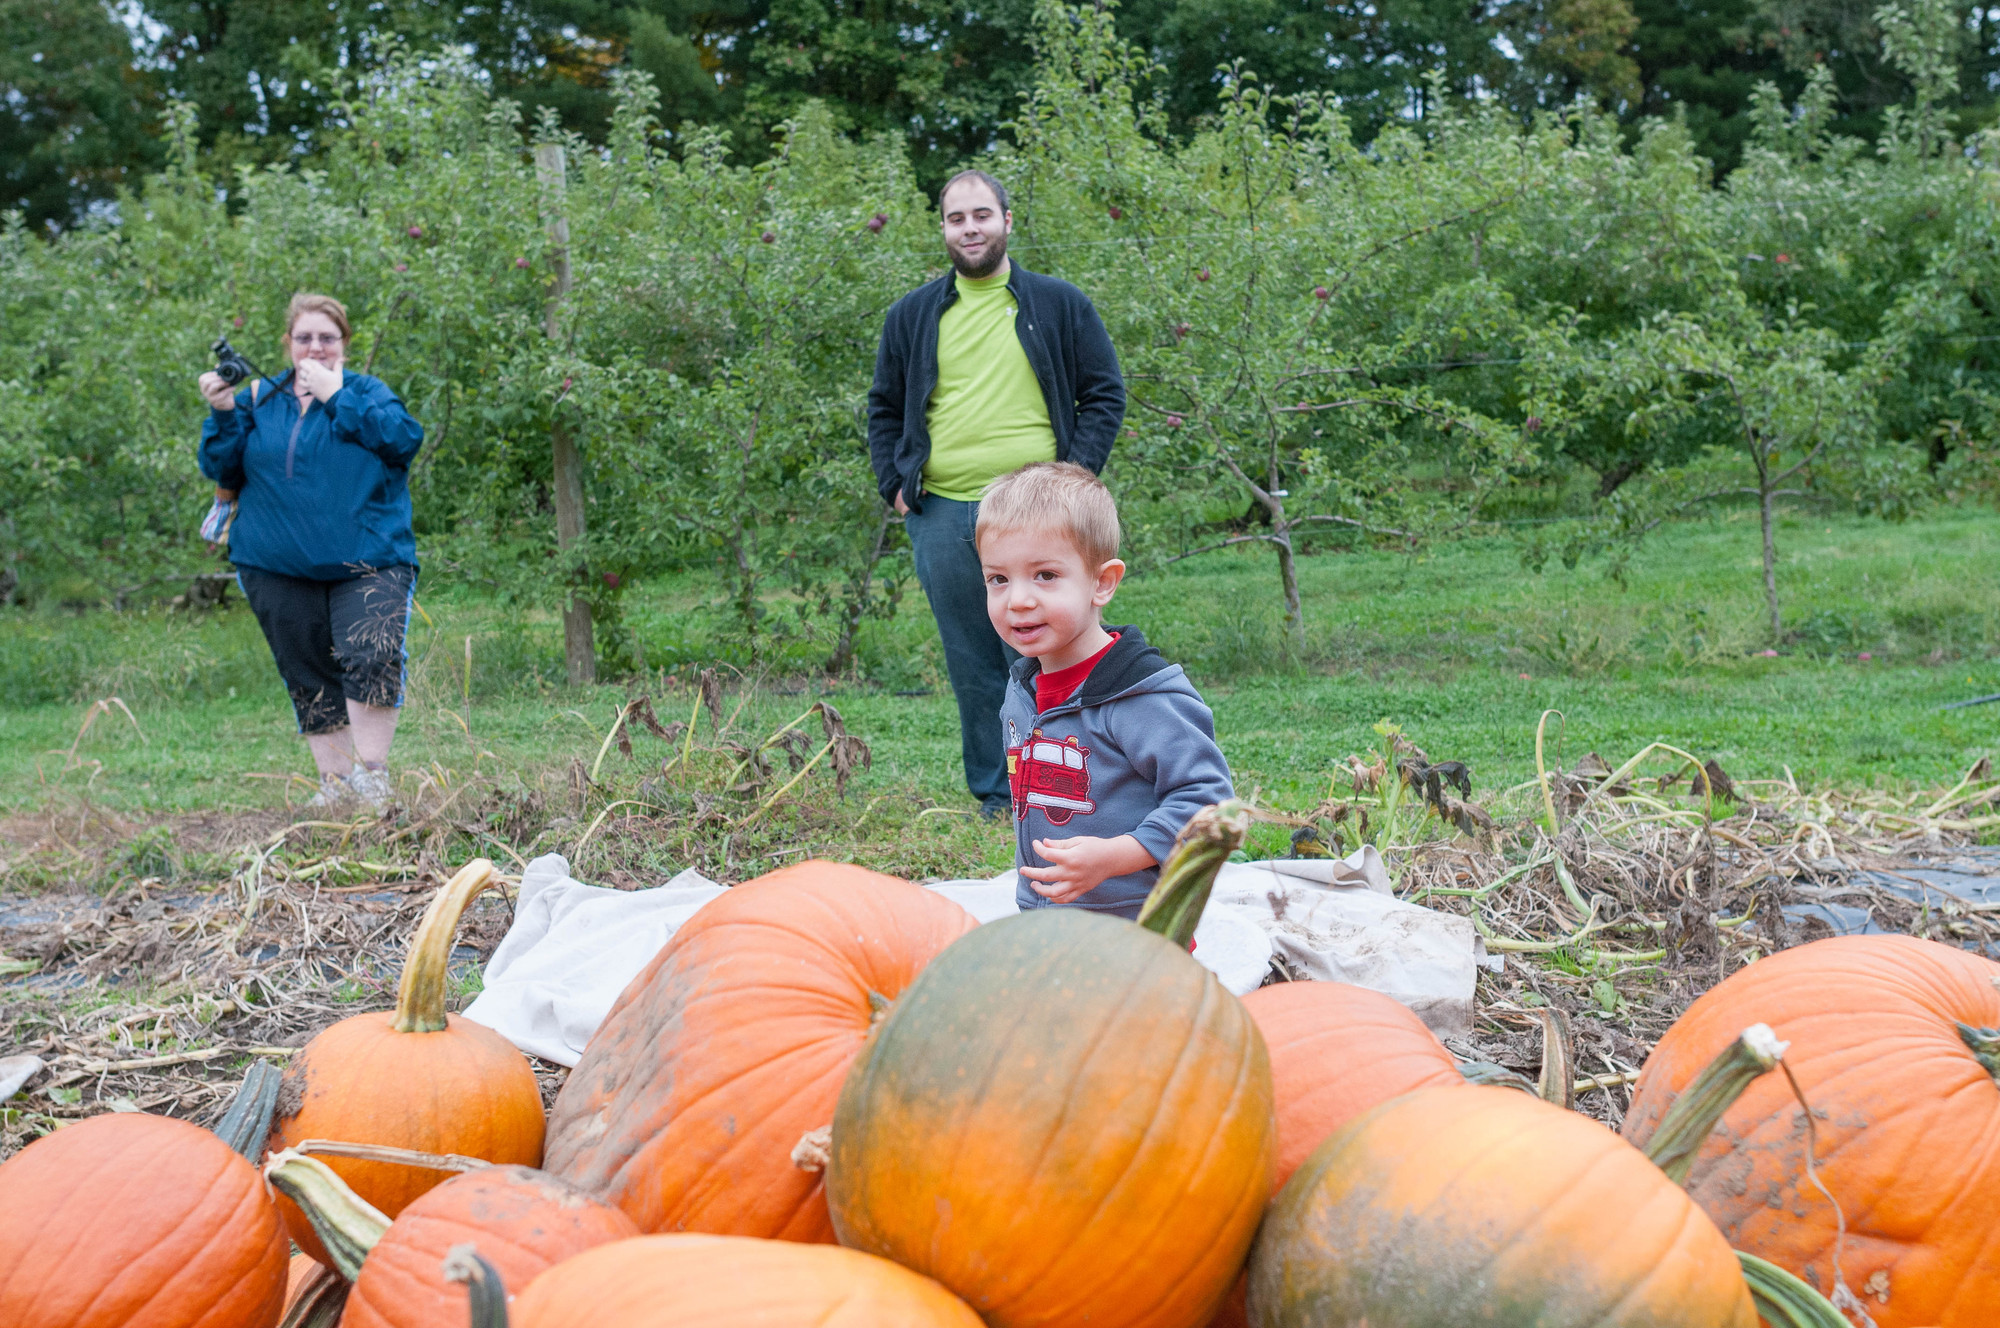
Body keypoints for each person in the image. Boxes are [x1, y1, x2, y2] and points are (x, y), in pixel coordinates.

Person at [868, 169, 1126, 817]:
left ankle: (1069, 788)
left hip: (1041, 516)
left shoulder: (1058, 304)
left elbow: (1104, 393)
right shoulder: (912, 316)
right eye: (957, 218)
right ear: (944, 230)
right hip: (944, 512)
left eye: (982, 214)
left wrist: (1074, 477)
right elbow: (883, 407)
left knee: (1057, 649)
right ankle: (997, 794)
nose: (970, 227)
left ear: (1008, 222)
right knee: (973, 661)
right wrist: (895, 488)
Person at [196, 293, 424, 810]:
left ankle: (373, 779)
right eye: (305, 338)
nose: (315, 348)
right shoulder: (259, 396)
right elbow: (222, 466)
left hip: (369, 557)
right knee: (307, 669)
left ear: (344, 343)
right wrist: (224, 412)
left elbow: (403, 440)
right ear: (289, 343)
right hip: (275, 564)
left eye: (327, 338)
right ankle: (336, 786)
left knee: (372, 654)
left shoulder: (367, 392)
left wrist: (336, 395)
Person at [980, 462, 1234, 918]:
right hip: (1048, 915)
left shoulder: (1142, 697)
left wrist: (1118, 854)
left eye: (1045, 575)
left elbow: (1209, 802)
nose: (1017, 599)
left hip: (1137, 922)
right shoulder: (1022, 689)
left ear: (1102, 582)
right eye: (998, 578)